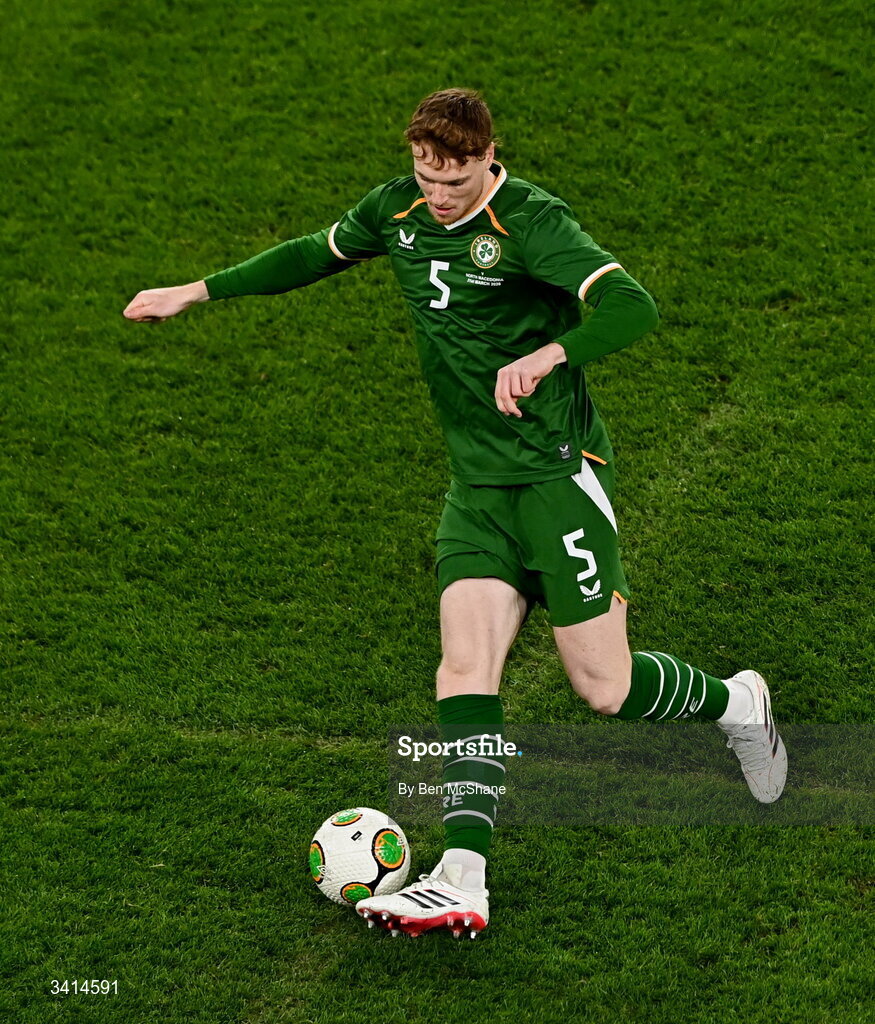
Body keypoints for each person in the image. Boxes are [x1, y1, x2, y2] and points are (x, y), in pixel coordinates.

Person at [124, 88, 787, 939]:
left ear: (487, 157)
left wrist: (549, 353)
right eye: (425, 175)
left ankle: (738, 704)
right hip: (474, 484)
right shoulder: (394, 211)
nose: (438, 194)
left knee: (603, 688)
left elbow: (633, 306)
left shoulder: (533, 221)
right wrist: (196, 290)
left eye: (456, 178)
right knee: (461, 668)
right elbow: (312, 253)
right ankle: (462, 873)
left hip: (554, 476)